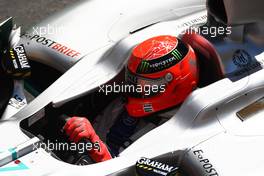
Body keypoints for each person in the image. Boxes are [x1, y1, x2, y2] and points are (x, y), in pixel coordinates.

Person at [63, 35, 199, 161]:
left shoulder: (178, 132)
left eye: (145, 84)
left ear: (175, 84)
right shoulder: (124, 102)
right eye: (133, 80)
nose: (134, 88)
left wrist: (95, 146)